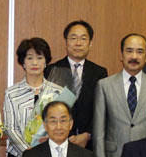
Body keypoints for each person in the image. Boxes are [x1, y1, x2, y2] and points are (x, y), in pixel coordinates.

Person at [92, 33, 146, 157]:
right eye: (129, 51)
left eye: (140, 52)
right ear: (121, 55)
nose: (134, 57)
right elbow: (98, 129)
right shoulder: (104, 85)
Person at [3, 37, 63, 157]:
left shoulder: (57, 92)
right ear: (23, 63)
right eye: (29, 58)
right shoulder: (11, 93)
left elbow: (61, 126)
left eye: (39, 57)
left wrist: (46, 147)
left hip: (50, 156)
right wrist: (28, 152)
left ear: (46, 61)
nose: (35, 62)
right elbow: (9, 128)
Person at [45, 20, 108, 149]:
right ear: (66, 42)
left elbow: (102, 109)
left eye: (83, 38)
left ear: (90, 43)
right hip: (57, 142)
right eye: (73, 38)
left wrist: (88, 134)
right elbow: (46, 108)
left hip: (89, 144)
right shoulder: (51, 70)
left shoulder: (99, 72)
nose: (78, 43)